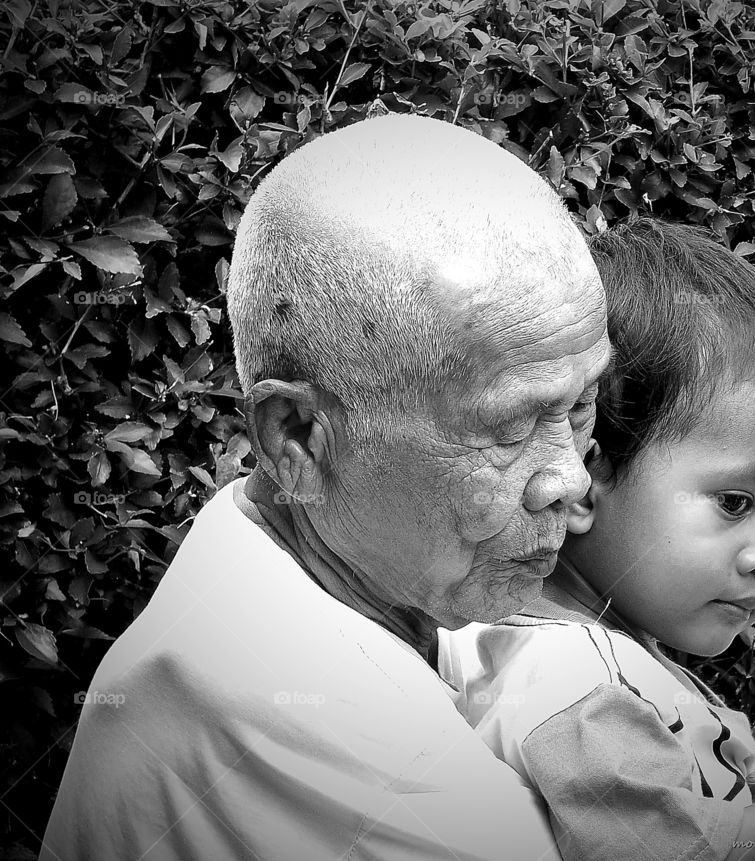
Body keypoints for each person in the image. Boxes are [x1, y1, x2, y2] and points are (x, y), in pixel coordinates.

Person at [39, 114, 611, 860]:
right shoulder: (327, 725)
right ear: (297, 437)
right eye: (508, 428)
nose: (570, 476)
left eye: (579, 403)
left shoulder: (279, 557)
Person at [439, 217, 755, 861]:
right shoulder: (575, 687)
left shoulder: (589, 657)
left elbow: (677, 810)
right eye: (734, 502)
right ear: (585, 474)